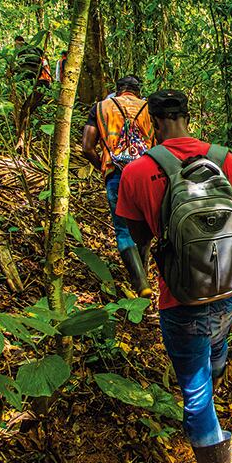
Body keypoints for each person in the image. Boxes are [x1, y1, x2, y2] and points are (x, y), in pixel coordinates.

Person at [115, 89, 232, 463]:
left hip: (180, 301)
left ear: (152, 123)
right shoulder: (227, 159)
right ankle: (213, 449)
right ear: (187, 117)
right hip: (231, 290)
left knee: (195, 394)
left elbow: (131, 239)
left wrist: (140, 282)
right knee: (215, 352)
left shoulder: (138, 172)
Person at [82, 76, 155, 297]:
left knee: (123, 229)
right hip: (146, 173)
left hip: (116, 174)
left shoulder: (101, 107)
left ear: (118, 91)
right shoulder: (149, 108)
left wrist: (103, 168)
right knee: (145, 226)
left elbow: (87, 147)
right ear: (137, 91)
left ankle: (140, 282)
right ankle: (144, 272)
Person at [13, 35, 52, 150]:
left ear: (18, 42)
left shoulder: (26, 52)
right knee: (27, 110)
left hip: (41, 82)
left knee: (25, 110)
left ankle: (21, 141)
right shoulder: (37, 52)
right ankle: (22, 139)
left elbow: (29, 72)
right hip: (45, 83)